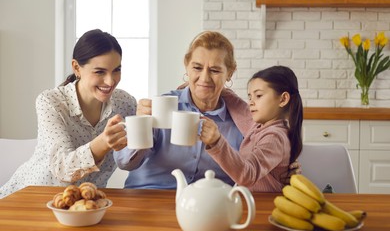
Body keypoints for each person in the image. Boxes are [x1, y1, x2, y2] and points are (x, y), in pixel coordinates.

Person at [114, 31, 299, 189]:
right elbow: (125, 163)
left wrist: (283, 170)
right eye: (197, 67)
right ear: (186, 65)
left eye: (215, 70)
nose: (204, 78)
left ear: (230, 73)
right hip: (148, 195)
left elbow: (256, 164)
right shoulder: (161, 107)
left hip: (203, 207)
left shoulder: (244, 122)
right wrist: (140, 127)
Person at [0, 29, 136, 198]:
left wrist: (147, 121)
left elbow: (133, 157)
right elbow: (62, 168)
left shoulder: (125, 104)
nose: (110, 81)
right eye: (100, 72)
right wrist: (102, 143)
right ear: (76, 67)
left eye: (117, 70)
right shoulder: (51, 102)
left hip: (84, 204)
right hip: (31, 197)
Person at [200, 66, 303, 192]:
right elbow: (236, 104)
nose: (251, 102)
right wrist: (203, 86)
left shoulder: (274, 137)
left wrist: (216, 142)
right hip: (250, 201)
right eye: (250, 97)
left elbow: (247, 175)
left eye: (259, 95)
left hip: (264, 206)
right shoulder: (259, 127)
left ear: (283, 99)